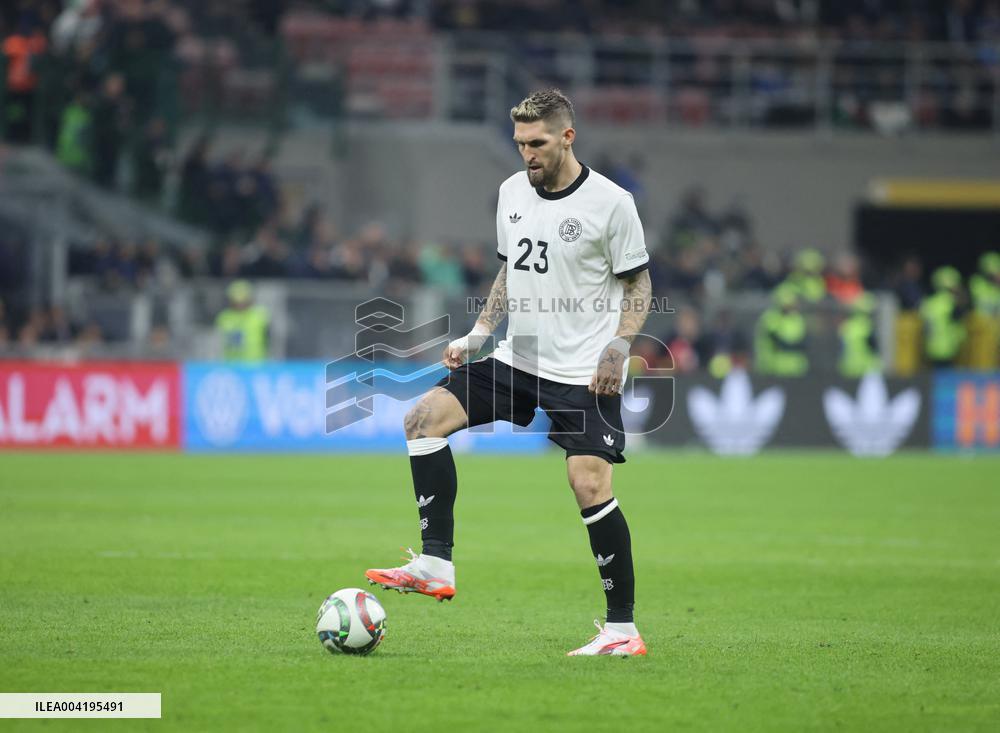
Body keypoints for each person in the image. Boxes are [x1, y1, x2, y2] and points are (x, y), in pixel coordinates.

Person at [365, 89, 652, 657]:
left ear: (567, 137)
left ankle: (622, 630)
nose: (527, 154)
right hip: (517, 357)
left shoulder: (612, 203)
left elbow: (638, 282)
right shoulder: (510, 191)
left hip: (582, 369)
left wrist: (621, 343)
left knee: (589, 484)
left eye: (537, 143)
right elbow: (509, 272)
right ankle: (434, 562)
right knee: (422, 420)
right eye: (520, 143)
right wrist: (479, 333)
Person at [754, 284, 808, 376]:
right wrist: (794, 346)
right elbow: (777, 341)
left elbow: (804, 341)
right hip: (773, 368)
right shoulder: (771, 318)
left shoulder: (798, 319)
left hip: (796, 368)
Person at [920, 266, 966, 368]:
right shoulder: (950, 301)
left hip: (931, 347)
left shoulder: (929, 301)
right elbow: (959, 317)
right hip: (948, 347)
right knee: (947, 379)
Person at [215, 280, 269, 362]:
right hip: (231, 363)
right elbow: (217, 342)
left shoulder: (260, 315)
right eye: (237, 300)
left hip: (255, 363)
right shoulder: (224, 317)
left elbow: (271, 340)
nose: (240, 304)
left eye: (243, 300)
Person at [838, 292, 881, 378]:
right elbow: (874, 347)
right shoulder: (867, 326)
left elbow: (841, 348)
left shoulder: (846, 326)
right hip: (867, 369)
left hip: (848, 369)